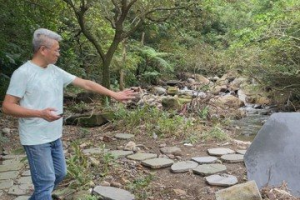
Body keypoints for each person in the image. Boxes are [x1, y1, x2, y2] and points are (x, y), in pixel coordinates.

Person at [2, 28, 135, 200]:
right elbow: (7, 106)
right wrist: (39, 113)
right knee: (45, 182)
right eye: (56, 50)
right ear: (43, 50)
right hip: (35, 138)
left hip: (53, 135)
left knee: (59, 173)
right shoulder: (23, 73)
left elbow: (86, 84)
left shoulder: (55, 71)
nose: (59, 53)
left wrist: (114, 94)